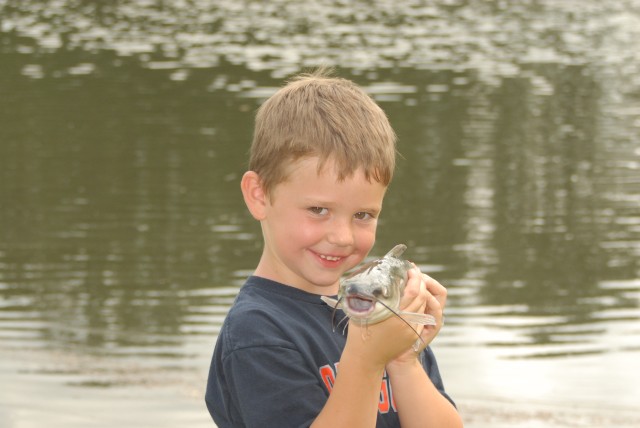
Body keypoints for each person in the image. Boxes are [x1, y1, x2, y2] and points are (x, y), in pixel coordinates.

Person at [205, 68, 463, 428]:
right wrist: (366, 358)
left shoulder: (381, 308)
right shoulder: (257, 333)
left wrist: (403, 357)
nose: (342, 236)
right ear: (259, 195)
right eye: (318, 210)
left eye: (363, 214)